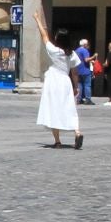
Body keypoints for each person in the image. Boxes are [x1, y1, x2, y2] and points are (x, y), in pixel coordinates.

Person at [34, 9, 82, 149]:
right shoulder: (71, 54)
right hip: (65, 80)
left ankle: (57, 141)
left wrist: (37, 19)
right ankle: (77, 132)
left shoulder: (54, 51)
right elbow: (74, 72)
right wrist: (76, 86)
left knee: (53, 108)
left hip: (53, 80)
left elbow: (44, 36)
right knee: (69, 107)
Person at [74, 37, 95, 104]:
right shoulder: (85, 50)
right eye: (87, 44)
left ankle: (79, 99)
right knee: (87, 85)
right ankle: (88, 99)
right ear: (85, 44)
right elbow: (86, 59)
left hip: (78, 70)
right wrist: (93, 57)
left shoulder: (76, 50)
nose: (88, 45)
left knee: (80, 85)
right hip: (85, 70)